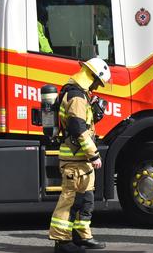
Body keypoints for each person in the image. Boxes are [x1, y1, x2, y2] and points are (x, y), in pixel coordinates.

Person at [49, 58, 111, 253]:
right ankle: (62, 242)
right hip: (75, 159)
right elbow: (77, 128)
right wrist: (93, 154)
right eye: (97, 83)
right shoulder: (76, 96)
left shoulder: (81, 95)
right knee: (70, 200)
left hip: (80, 160)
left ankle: (81, 236)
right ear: (91, 77)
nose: (97, 88)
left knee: (86, 199)